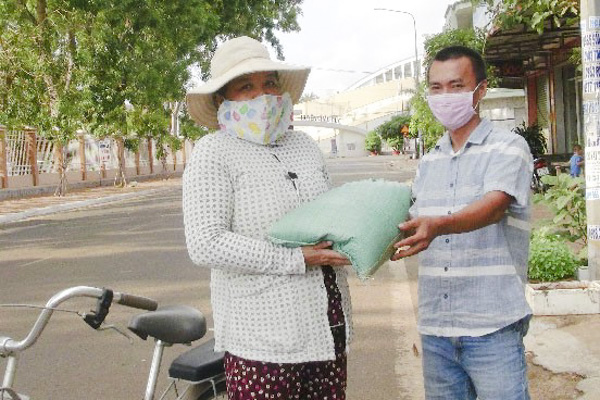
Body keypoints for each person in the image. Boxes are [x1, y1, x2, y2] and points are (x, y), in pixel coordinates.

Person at [183, 36, 352, 399]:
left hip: (327, 327)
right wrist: (294, 258)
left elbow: (333, 216)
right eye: (246, 86)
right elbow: (205, 243)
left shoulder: (305, 146)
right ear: (221, 100)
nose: (263, 95)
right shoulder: (213, 152)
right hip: (261, 342)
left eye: (269, 83)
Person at [392, 46, 533, 400]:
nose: (445, 96)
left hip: (492, 327)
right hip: (437, 329)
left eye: (456, 86)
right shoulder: (429, 162)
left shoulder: (508, 147)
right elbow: (411, 222)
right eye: (436, 88)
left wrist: (438, 225)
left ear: (480, 90)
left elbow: (494, 206)